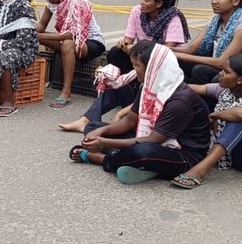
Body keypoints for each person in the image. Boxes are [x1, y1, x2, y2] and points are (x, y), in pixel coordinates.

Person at [70, 41, 209, 185]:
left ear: (153, 68)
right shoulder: (149, 85)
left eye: (137, 66)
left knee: (142, 151)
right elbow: (130, 121)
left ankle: (103, 159)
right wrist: (101, 132)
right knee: (92, 127)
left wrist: (104, 143)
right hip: (150, 138)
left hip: (183, 154)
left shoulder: (180, 101)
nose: (134, 70)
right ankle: (135, 163)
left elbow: (154, 140)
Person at [59, 0, 189, 133]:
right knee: (116, 53)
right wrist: (124, 45)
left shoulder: (173, 18)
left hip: (160, 64)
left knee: (118, 85)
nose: (142, 3)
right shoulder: (137, 12)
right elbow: (129, 40)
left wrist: (137, 50)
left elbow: (165, 52)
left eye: (146, 0)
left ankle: (92, 118)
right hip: (142, 59)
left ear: (159, 3)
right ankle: (88, 118)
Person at [172, 55, 242, 188]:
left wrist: (216, 115)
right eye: (222, 69)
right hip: (226, 149)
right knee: (192, 100)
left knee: (237, 121)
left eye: (226, 72)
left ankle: (200, 170)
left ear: (240, 79)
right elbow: (189, 88)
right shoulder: (223, 90)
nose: (220, 74)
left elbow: (239, 114)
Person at [37, 0, 105, 108]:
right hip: (69, 38)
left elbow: (71, 35)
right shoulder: (52, 3)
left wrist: (41, 37)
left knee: (67, 43)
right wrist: (28, 31)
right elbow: (41, 27)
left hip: (90, 42)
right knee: (29, 35)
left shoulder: (78, 2)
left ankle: (66, 92)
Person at [172, 0, 242, 84]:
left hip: (231, 70)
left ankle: (199, 98)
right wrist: (162, 49)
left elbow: (222, 62)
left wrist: (181, 56)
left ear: (235, 0)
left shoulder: (240, 23)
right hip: (216, 63)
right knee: (174, 61)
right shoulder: (215, 20)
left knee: (200, 71)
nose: (214, 1)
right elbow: (191, 48)